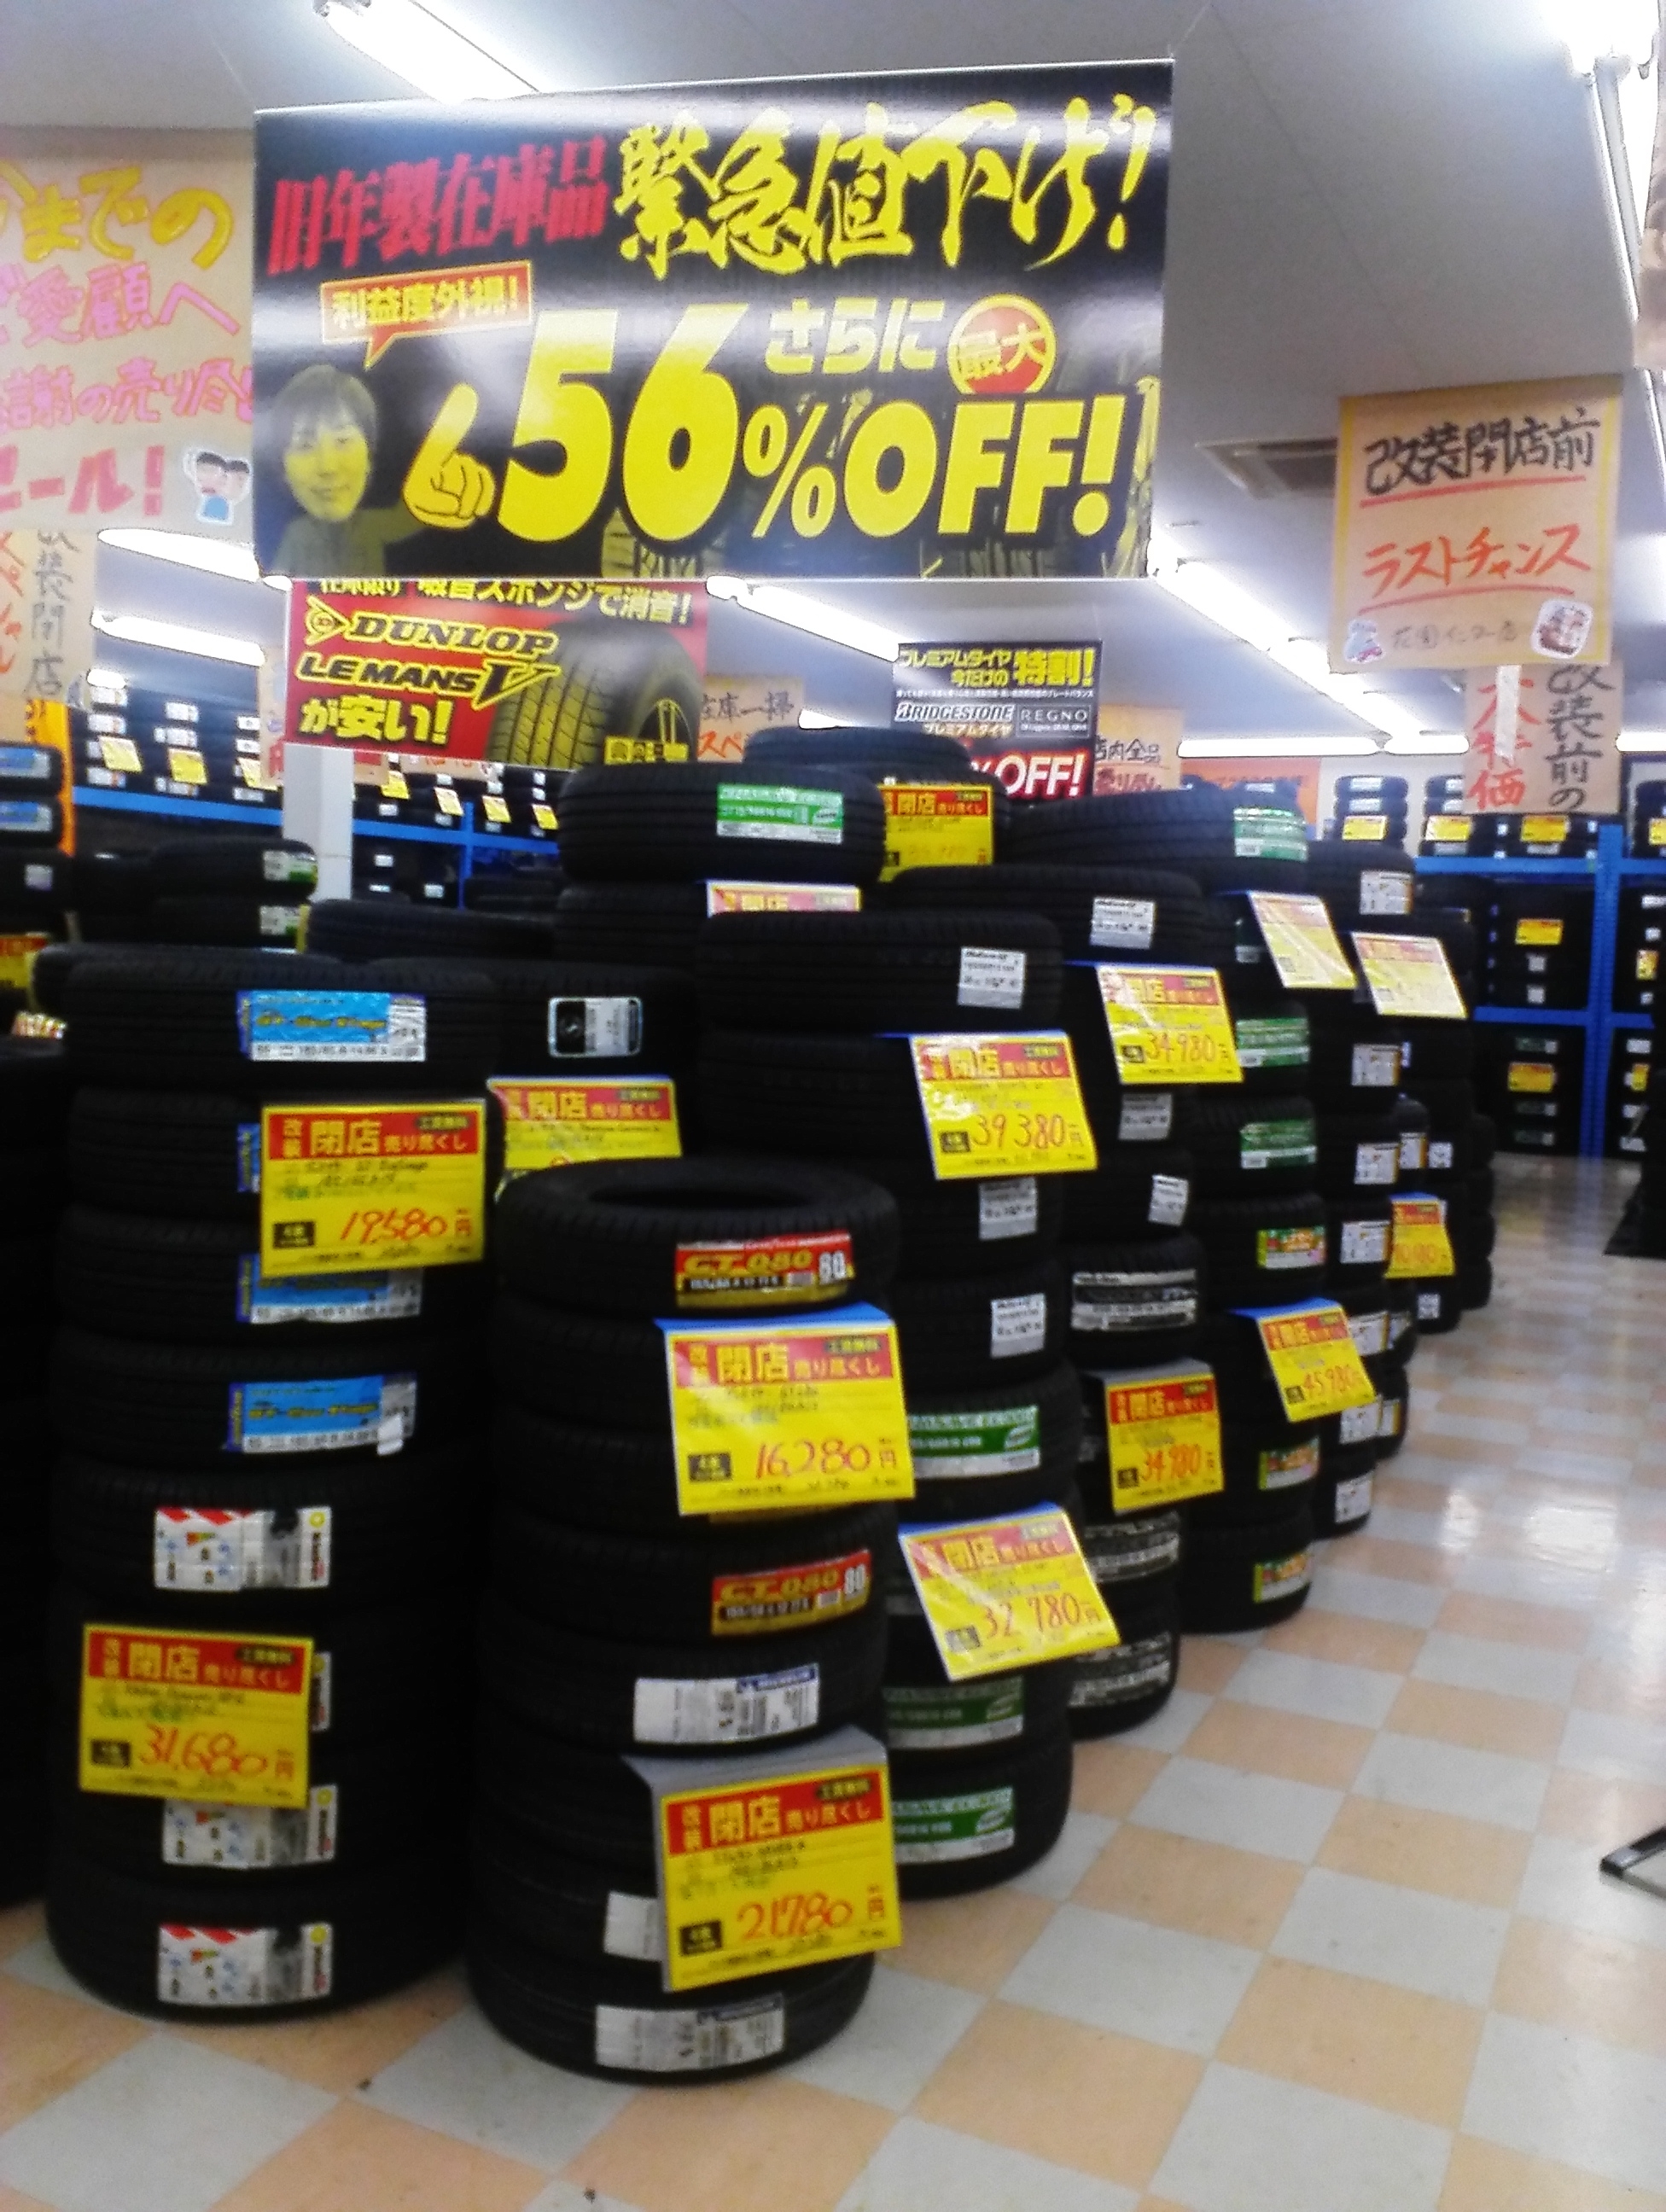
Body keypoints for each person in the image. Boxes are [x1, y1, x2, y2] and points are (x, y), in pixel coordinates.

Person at [268, 364, 425, 577]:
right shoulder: (296, 535)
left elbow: (412, 516)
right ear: (283, 470)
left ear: (369, 457)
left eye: (343, 441)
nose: (328, 467)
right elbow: (274, 580)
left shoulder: (371, 525)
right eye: (305, 446)